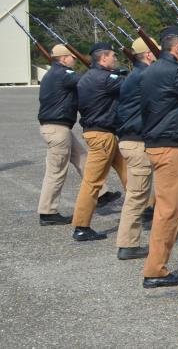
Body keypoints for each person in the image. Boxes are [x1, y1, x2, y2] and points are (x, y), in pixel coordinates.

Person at [141, 26, 178, 289]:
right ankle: (155, 269)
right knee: (168, 211)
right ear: (177, 48)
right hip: (169, 145)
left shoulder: (151, 70)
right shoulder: (173, 72)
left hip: (163, 142)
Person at [37, 44, 115, 226]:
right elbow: (87, 80)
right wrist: (99, 70)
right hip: (57, 128)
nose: (75, 59)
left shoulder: (54, 73)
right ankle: (47, 212)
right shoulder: (64, 74)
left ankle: (102, 193)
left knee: (82, 157)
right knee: (56, 171)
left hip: (57, 127)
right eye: (72, 56)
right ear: (63, 59)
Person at [72, 42, 128, 241]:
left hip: (101, 133)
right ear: (103, 58)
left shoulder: (87, 77)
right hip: (103, 135)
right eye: (112, 55)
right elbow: (130, 86)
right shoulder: (105, 78)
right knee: (93, 183)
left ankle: (148, 208)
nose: (115, 58)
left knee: (129, 172)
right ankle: (81, 226)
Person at [114, 38, 159, 260]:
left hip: (132, 139)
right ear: (149, 55)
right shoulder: (144, 76)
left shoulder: (136, 74)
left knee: (138, 193)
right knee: (137, 195)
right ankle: (127, 244)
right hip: (136, 141)